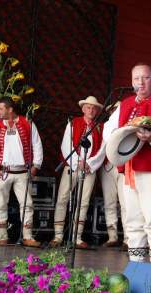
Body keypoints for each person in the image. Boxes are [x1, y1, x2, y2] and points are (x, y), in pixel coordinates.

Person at [103, 63, 151, 265]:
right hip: (130, 170)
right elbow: (108, 130)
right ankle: (136, 268)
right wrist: (120, 138)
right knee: (133, 222)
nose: (141, 82)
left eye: (145, 78)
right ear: (131, 82)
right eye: (137, 79)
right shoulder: (125, 104)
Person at [0, 97, 43, 247]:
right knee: (0, 204)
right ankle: (2, 236)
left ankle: (28, 236)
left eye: (0, 108)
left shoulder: (27, 123)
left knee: (27, 204)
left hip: (23, 171)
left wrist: (36, 166)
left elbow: (37, 144)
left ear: (10, 109)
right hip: (2, 172)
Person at [51, 96, 105, 249]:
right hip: (72, 166)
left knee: (83, 202)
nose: (91, 110)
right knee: (62, 198)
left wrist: (89, 164)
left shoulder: (100, 127)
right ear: (83, 109)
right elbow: (66, 144)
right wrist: (78, 162)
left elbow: (103, 150)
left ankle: (77, 236)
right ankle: (58, 235)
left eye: (94, 108)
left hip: (89, 169)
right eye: (88, 107)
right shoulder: (73, 123)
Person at [99, 101, 128, 248]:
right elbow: (101, 148)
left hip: (124, 166)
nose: (114, 112)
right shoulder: (107, 127)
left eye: (116, 110)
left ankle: (128, 239)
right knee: (109, 202)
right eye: (112, 110)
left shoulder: (127, 127)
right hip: (108, 166)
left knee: (125, 203)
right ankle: (112, 236)